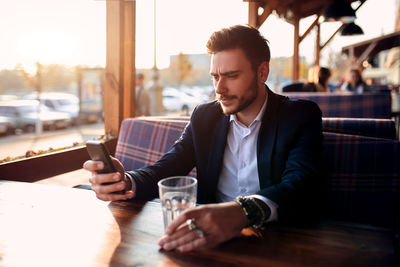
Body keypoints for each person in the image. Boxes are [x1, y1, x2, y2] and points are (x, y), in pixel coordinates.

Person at [83, 25, 323, 252]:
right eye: (215, 76)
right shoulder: (204, 117)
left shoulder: (299, 115)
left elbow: (300, 185)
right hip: (207, 242)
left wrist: (242, 211)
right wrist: (124, 181)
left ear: (262, 72)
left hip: (279, 241)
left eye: (231, 76)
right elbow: (166, 168)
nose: (219, 88)